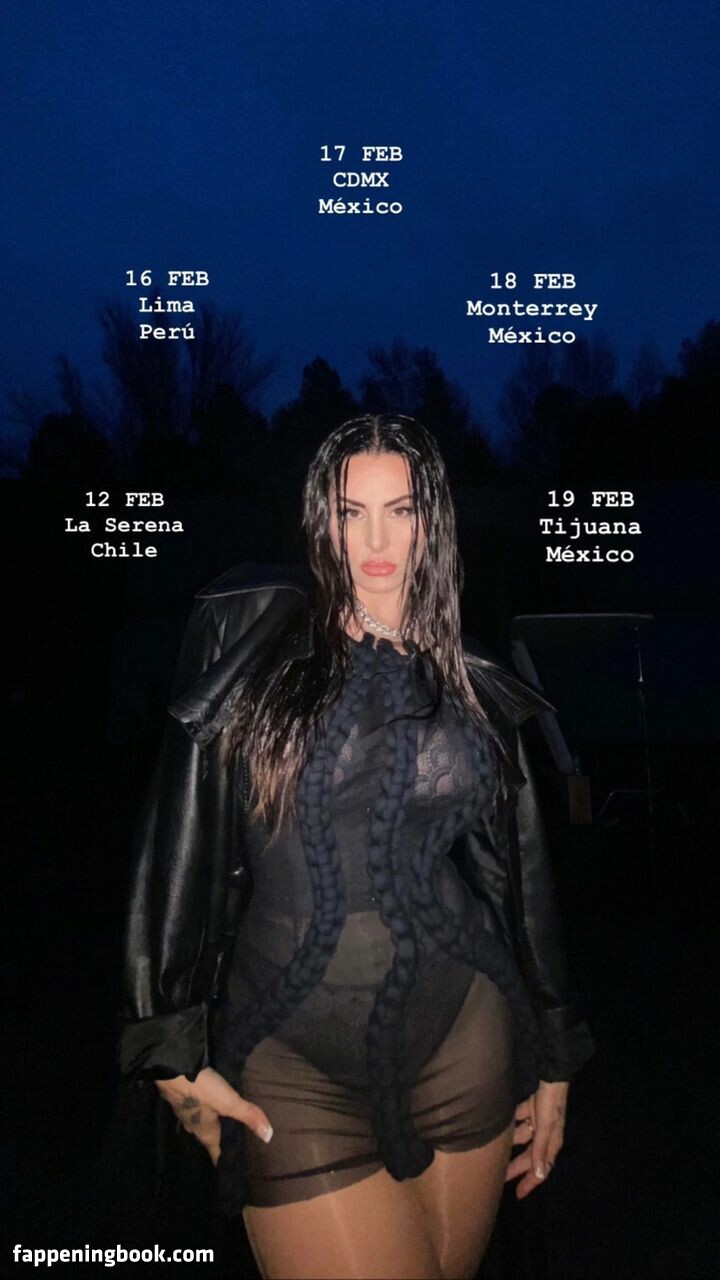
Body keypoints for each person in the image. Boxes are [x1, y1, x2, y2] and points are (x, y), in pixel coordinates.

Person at [118, 414, 595, 1280]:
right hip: (290, 1060)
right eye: (351, 512)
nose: (376, 541)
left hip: (464, 1038)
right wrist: (166, 1037)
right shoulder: (256, 640)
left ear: (431, 521)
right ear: (321, 519)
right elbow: (177, 833)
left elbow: (517, 871)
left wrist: (556, 1049)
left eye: (401, 511)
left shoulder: (471, 675)